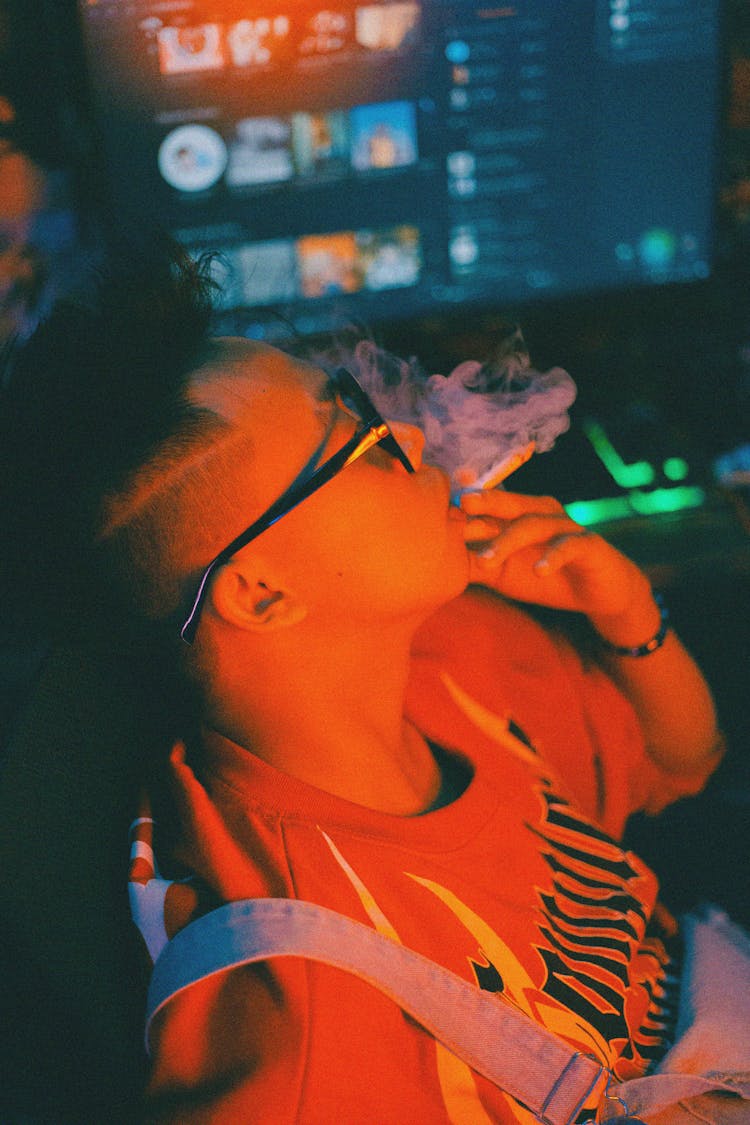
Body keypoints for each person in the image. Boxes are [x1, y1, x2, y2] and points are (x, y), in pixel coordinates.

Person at [0, 247, 736, 1123]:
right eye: (366, 440)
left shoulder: (443, 654)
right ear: (262, 592)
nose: (418, 434)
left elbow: (681, 762)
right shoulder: (301, 1032)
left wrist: (626, 614)